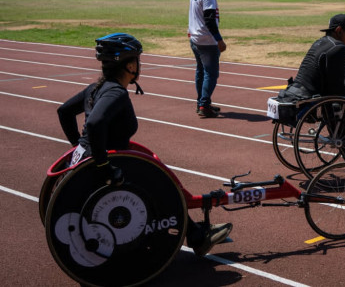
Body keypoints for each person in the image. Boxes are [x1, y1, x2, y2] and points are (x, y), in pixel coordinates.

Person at [57, 33, 231, 256]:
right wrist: (103, 165)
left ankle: (195, 231)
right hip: (107, 169)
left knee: (156, 174)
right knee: (159, 184)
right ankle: (196, 236)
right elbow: (94, 123)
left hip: (90, 160)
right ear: (130, 64)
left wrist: (79, 147)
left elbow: (64, 112)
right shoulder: (116, 92)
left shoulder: (95, 88)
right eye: (138, 60)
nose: (139, 64)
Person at [281, 14, 345, 102]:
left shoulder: (320, 42)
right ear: (339, 31)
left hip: (293, 92)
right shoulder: (338, 47)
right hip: (308, 99)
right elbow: (336, 89)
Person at [188, 0, 227, 118]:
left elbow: (193, 15)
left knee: (201, 71)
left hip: (195, 39)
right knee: (211, 74)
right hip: (207, 41)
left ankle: (202, 103)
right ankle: (204, 105)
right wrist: (219, 40)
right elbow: (209, 20)